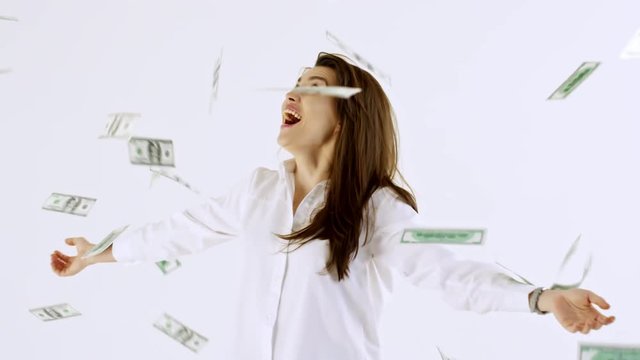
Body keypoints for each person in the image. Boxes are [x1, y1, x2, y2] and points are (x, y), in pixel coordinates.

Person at [51, 52, 615, 360]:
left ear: (347, 118)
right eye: (294, 83)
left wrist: (543, 297)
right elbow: (180, 230)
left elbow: (450, 275)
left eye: (313, 85)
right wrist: (96, 252)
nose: (291, 93)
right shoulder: (257, 191)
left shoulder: (378, 209)